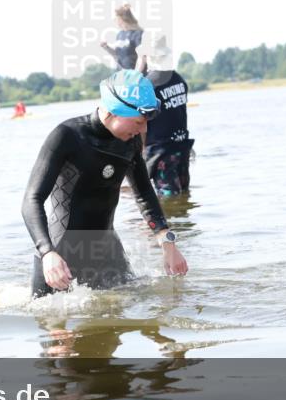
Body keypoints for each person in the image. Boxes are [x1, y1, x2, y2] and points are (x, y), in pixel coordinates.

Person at [22, 69, 188, 297]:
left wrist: (168, 244)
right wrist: (47, 253)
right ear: (115, 111)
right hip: (60, 257)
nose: (144, 129)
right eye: (140, 121)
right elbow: (32, 200)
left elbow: (144, 195)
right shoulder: (67, 136)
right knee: (54, 325)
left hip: (109, 254)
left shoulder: (130, 142)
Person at [135, 32, 194, 195]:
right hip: (181, 146)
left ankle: (170, 221)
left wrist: (140, 153)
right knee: (183, 195)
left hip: (161, 153)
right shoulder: (178, 79)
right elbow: (180, 115)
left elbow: (140, 123)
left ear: (147, 56)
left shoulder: (147, 86)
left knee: (169, 198)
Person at [99, 3, 143, 71]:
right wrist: (106, 47)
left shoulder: (138, 34)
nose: (114, 21)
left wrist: (136, 74)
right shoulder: (120, 34)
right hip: (121, 74)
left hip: (134, 74)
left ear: (122, 19)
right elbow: (117, 55)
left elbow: (142, 56)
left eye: (116, 19)